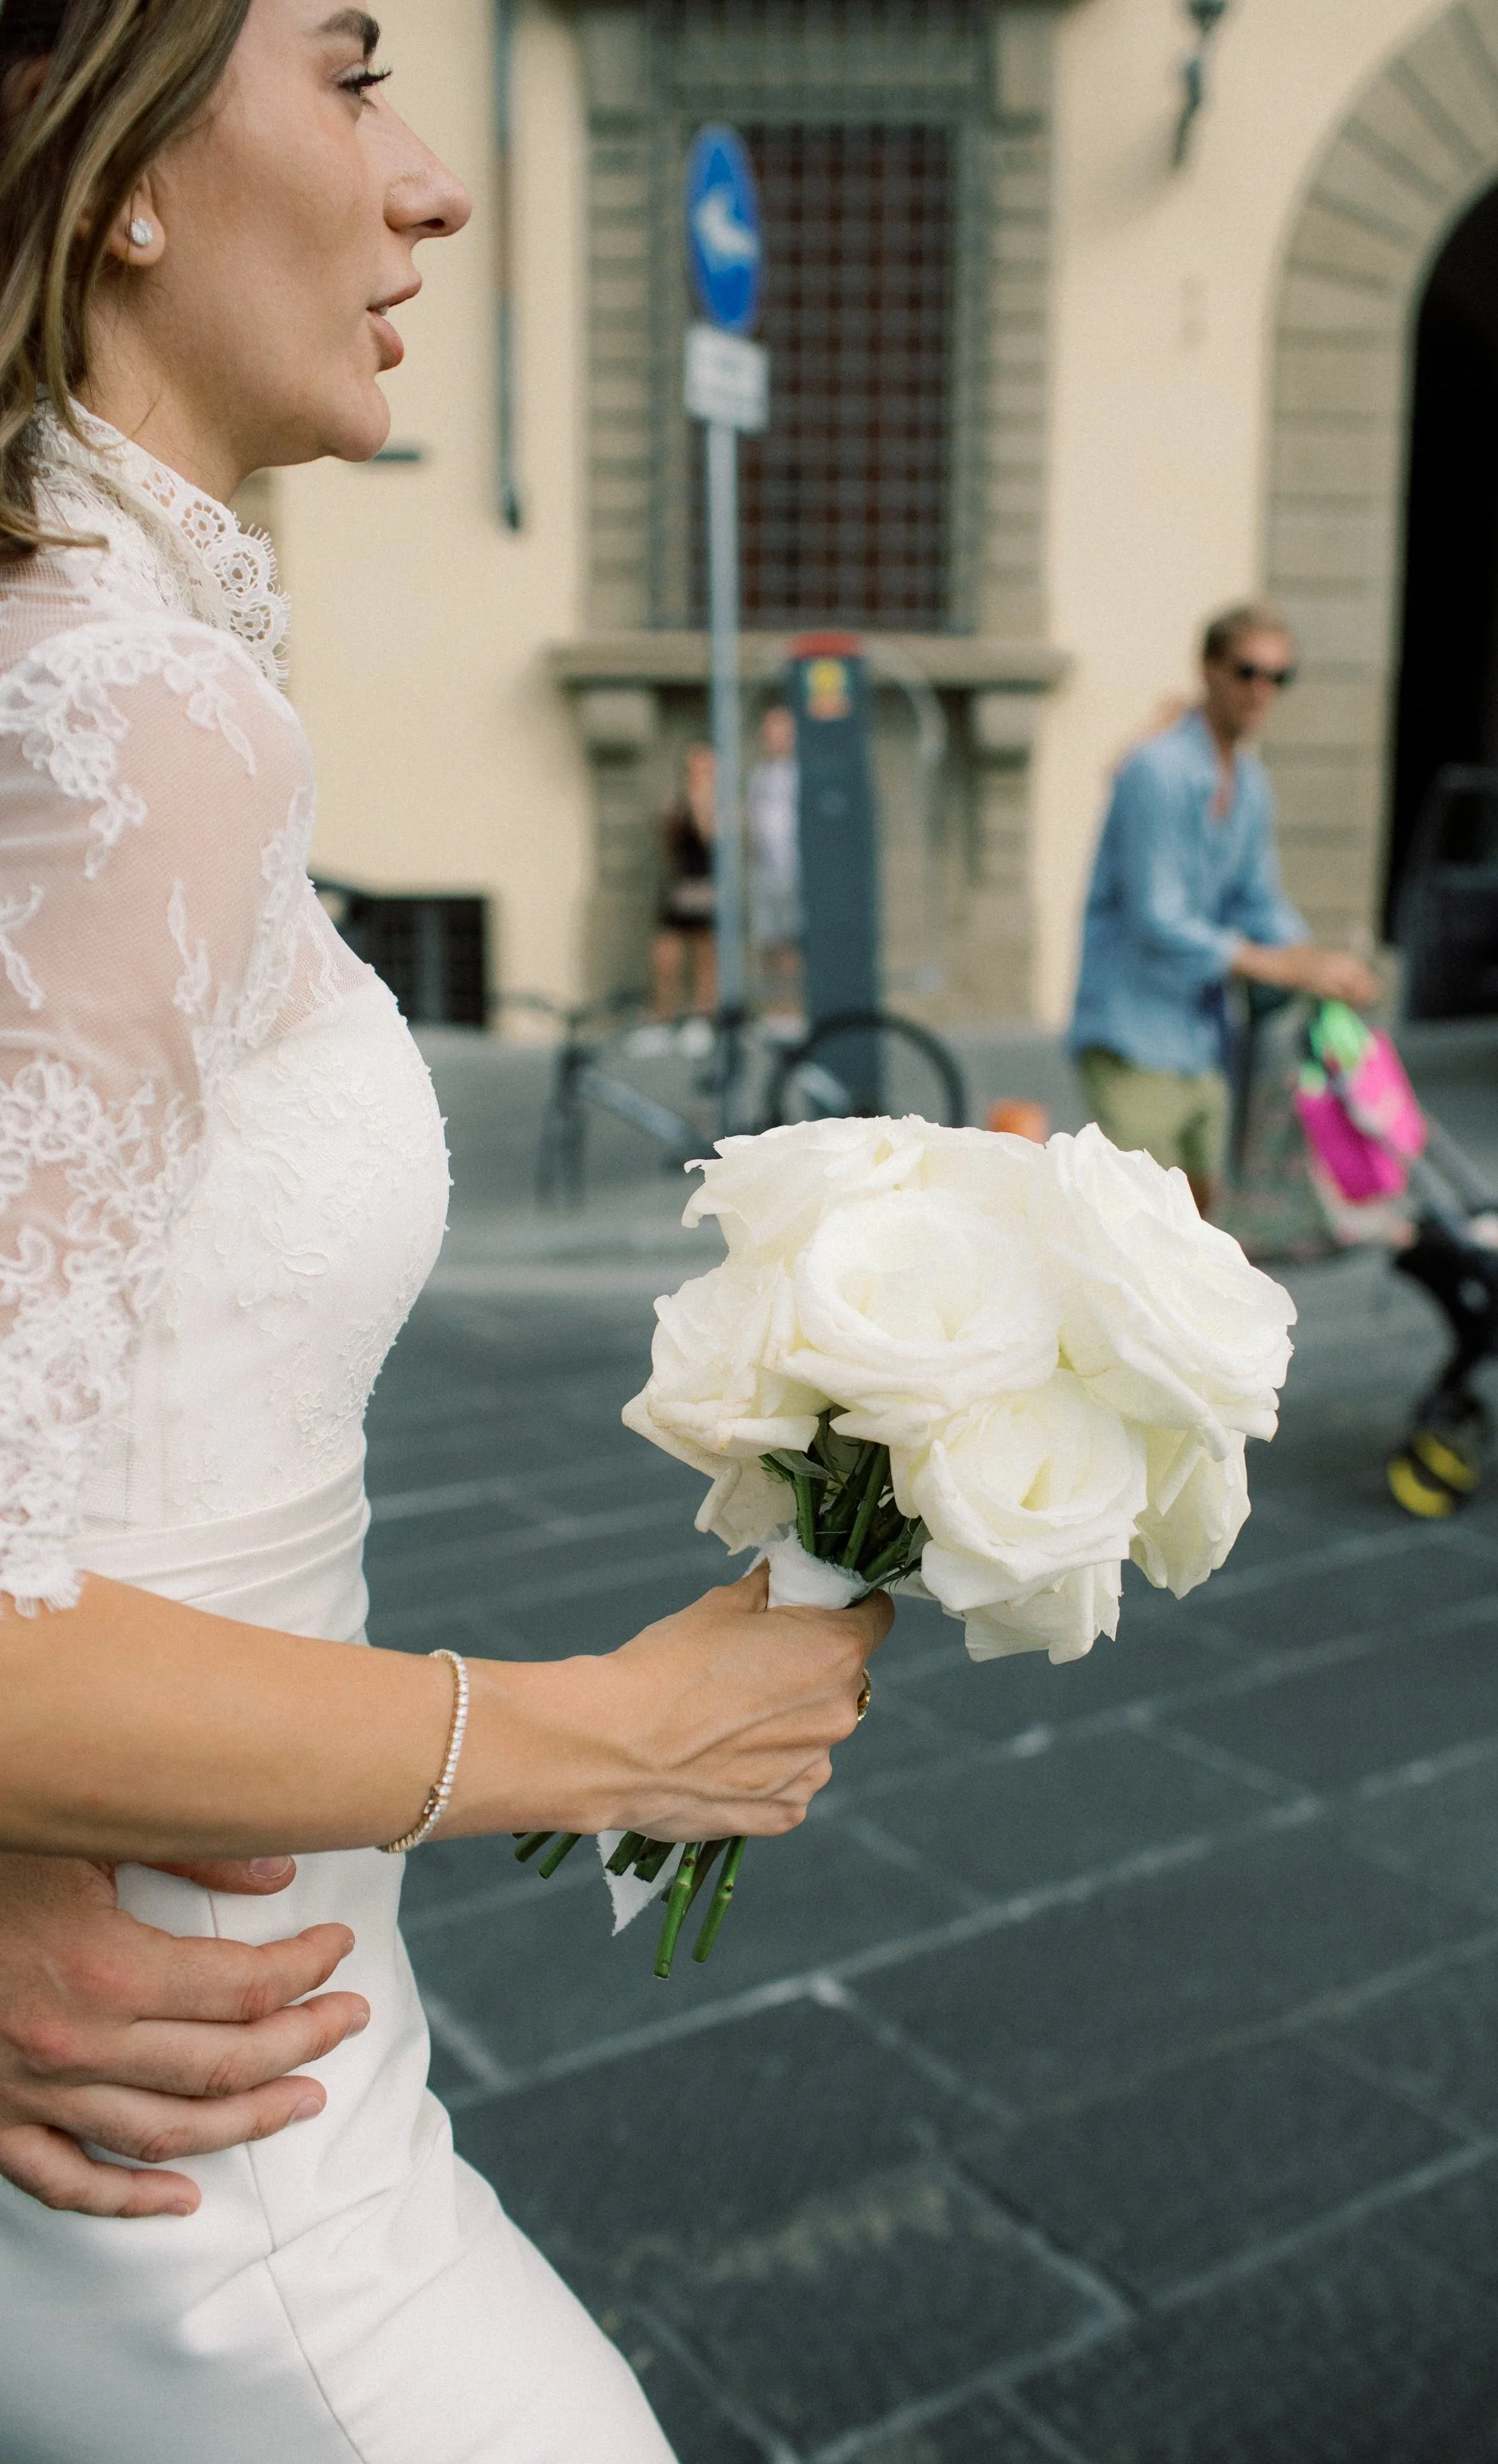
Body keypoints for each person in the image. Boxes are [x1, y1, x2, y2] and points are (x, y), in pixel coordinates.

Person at [0, 6, 889, 2459]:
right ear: (112, 171)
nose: (432, 184)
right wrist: (617, 1734)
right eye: (348, 72)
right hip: (191, 2122)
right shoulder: (129, 712)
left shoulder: (97, 664)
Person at [1069, 601, 1380, 1216]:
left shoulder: (1249, 781)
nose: (1261, 690)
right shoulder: (1156, 770)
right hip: (1133, 1035)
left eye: (1277, 677)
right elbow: (1156, 918)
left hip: (1201, 1039)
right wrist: (1280, 968)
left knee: (1199, 1226)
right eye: (1246, 671)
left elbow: (1257, 899)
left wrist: (1317, 963)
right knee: (1138, 1233)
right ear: (1209, 669)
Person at [650, 739, 718, 1022]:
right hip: (680, 881)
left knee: (705, 953)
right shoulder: (678, 797)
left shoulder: (717, 798)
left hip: (707, 881)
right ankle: (664, 1016)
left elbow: (710, 837)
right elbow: (668, 839)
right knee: (666, 950)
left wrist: (701, 799)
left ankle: (704, 1017)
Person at [747, 702, 803, 1019]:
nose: (775, 738)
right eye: (770, 731)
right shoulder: (759, 776)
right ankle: (773, 1011)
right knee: (770, 942)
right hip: (765, 872)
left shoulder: (801, 773)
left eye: (782, 731)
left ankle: (790, 1009)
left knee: (792, 944)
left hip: (795, 871)